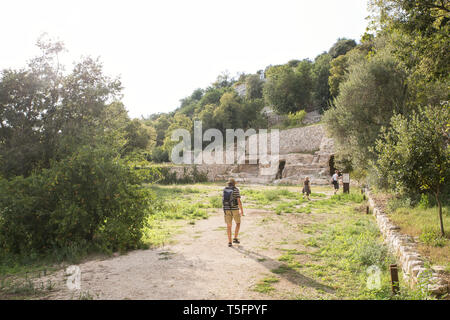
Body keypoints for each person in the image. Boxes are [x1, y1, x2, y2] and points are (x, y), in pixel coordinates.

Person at [222, 178, 244, 247]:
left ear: (228, 183)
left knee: (229, 226)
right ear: (234, 184)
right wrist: (242, 211)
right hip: (235, 209)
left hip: (227, 209)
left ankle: (229, 242)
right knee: (238, 223)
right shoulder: (236, 190)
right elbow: (239, 201)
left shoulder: (224, 189)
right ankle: (235, 238)